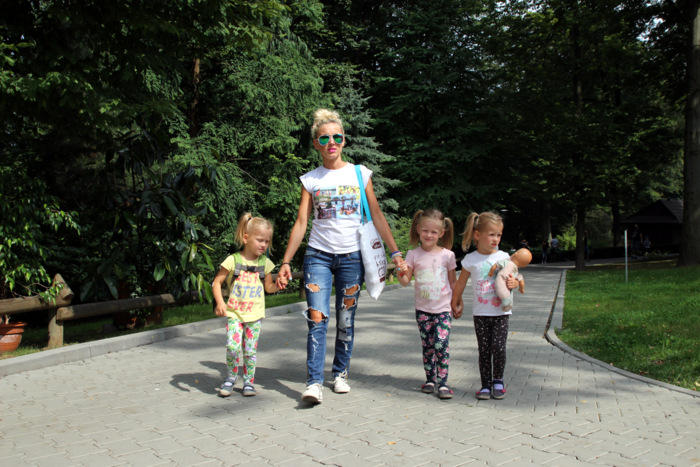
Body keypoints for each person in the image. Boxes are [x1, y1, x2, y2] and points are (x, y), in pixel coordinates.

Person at [276, 108, 405, 405]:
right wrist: (285, 262)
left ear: (344, 140)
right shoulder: (310, 179)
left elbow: (377, 214)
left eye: (336, 137)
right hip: (318, 257)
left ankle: (340, 374)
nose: (331, 142)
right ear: (316, 144)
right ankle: (314, 382)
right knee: (317, 319)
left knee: (346, 320)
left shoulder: (360, 173)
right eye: (324, 138)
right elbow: (301, 222)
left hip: (352, 258)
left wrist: (395, 252)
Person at [212, 213, 284, 397]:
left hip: (255, 315)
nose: (263, 245)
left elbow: (268, 287)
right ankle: (230, 378)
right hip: (234, 313)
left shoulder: (265, 263)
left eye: (267, 241)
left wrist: (278, 285)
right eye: (260, 240)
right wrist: (220, 302)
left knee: (250, 351)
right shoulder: (233, 260)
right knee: (233, 347)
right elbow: (216, 283)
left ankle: (249, 383)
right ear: (246, 238)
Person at [451, 211, 519, 401]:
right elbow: (461, 283)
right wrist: (455, 301)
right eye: (491, 234)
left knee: (499, 348)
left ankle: (498, 380)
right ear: (477, 235)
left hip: (501, 313)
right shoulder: (470, 260)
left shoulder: (505, 257)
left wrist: (514, 283)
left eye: (499, 235)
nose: (495, 239)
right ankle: (485, 385)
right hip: (480, 314)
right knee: (484, 350)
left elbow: (515, 278)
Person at [397, 209, 457, 400]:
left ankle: (443, 382)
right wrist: (400, 270)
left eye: (433, 232)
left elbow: (453, 282)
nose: (428, 235)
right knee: (428, 345)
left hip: (443, 309)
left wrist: (458, 301)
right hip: (423, 310)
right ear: (418, 230)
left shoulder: (448, 255)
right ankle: (430, 380)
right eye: (425, 231)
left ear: (441, 233)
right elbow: (405, 281)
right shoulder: (413, 254)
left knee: (441, 344)